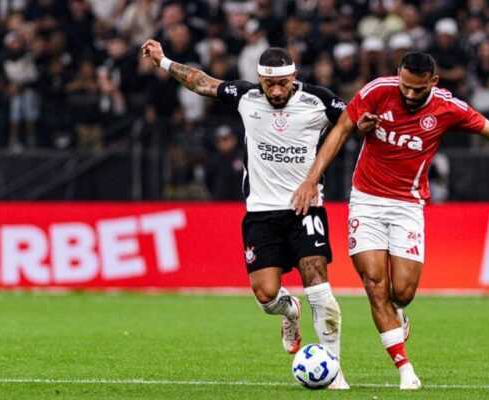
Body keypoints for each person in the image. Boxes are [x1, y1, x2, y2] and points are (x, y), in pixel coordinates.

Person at [291, 52, 489, 390]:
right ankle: (405, 369)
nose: (409, 94)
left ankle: (399, 313)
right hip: (366, 200)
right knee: (375, 285)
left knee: (402, 293)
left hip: (408, 205)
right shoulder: (377, 91)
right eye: (404, 86)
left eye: (417, 89)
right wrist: (312, 178)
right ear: (398, 75)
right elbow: (343, 129)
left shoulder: (448, 108)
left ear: (433, 82)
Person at [142, 39, 350, 389]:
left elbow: (352, 122)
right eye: (270, 84)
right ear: (260, 79)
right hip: (261, 213)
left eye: (282, 83)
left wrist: (315, 177)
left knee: (317, 280)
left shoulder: (319, 100)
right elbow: (201, 82)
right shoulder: (246, 96)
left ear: (294, 76)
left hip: (305, 207)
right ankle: (290, 311)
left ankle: (334, 370)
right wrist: (163, 61)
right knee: (266, 295)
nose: (276, 90)